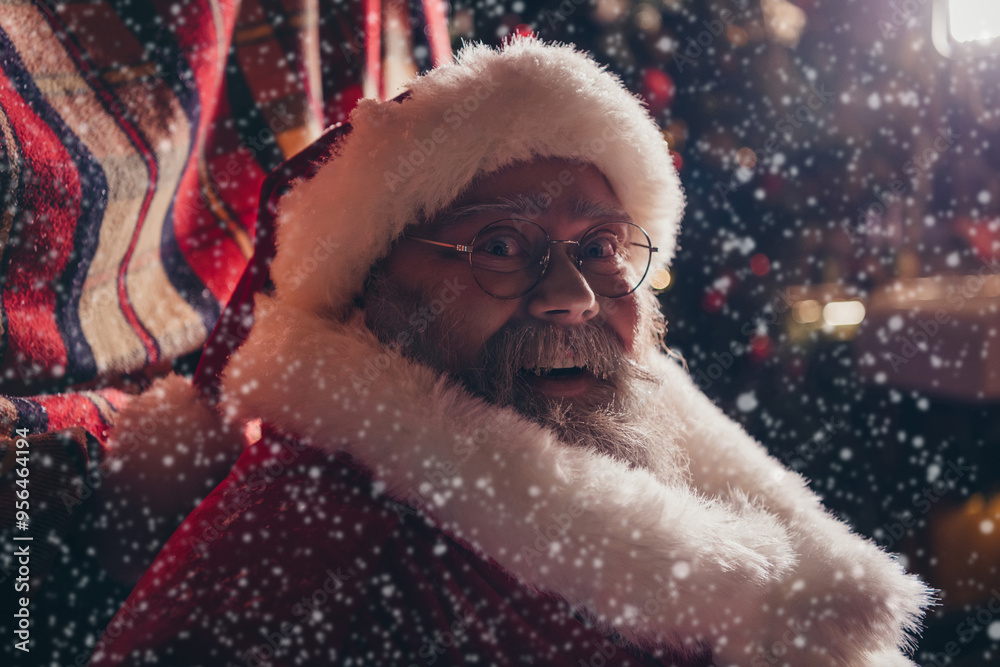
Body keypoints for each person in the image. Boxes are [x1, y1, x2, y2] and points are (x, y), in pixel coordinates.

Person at [89, 37, 930, 667]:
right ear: (372, 297)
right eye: (498, 243)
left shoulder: (663, 464)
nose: (572, 295)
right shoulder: (308, 551)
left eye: (602, 247)